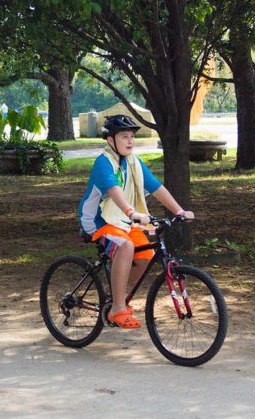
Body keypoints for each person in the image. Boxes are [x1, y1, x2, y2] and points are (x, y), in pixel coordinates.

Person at [78, 114, 194, 329]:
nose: (130, 141)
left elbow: (156, 187)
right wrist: (132, 213)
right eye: (124, 136)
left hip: (123, 221)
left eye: (132, 136)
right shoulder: (103, 163)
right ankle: (118, 309)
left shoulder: (134, 163)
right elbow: (114, 191)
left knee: (146, 256)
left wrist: (179, 210)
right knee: (125, 246)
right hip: (98, 220)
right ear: (110, 140)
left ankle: (116, 293)